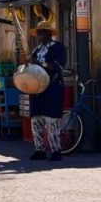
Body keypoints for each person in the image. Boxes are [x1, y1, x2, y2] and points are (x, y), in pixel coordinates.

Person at [28, 21, 67, 161]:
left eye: (43, 31)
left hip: (53, 86)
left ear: (50, 33)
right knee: (36, 119)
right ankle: (39, 149)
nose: (41, 35)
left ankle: (56, 150)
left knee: (52, 120)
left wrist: (41, 64)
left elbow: (59, 66)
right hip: (37, 89)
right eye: (39, 32)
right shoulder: (35, 50)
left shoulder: (58, 48)